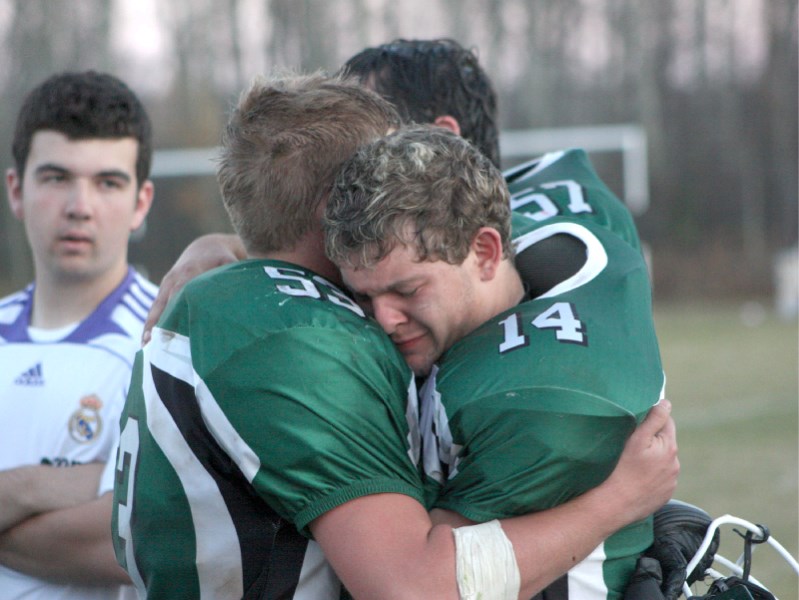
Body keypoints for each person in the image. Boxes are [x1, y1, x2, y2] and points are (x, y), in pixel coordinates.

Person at [113, 72, 678, 599]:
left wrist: (227, 244)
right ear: (339, 205)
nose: (400, 178)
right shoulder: (298, 335)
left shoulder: (242, 297)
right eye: (375, 172)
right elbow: (411, 586)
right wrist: (617, 502)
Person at [324, 125, 667, 599]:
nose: (383, 320)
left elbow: (432, 581)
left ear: (485, 253)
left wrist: (615, 504)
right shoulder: (508, 234)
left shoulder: (543, 398)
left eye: (407, 291)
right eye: (363, 296)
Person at [0, 70, 156, 598]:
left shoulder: (167, 345)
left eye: (107, 183)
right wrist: (46, 486)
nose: (79, 206)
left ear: (141, 202)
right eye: (56, 177)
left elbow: (137, 537)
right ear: (17, 190)